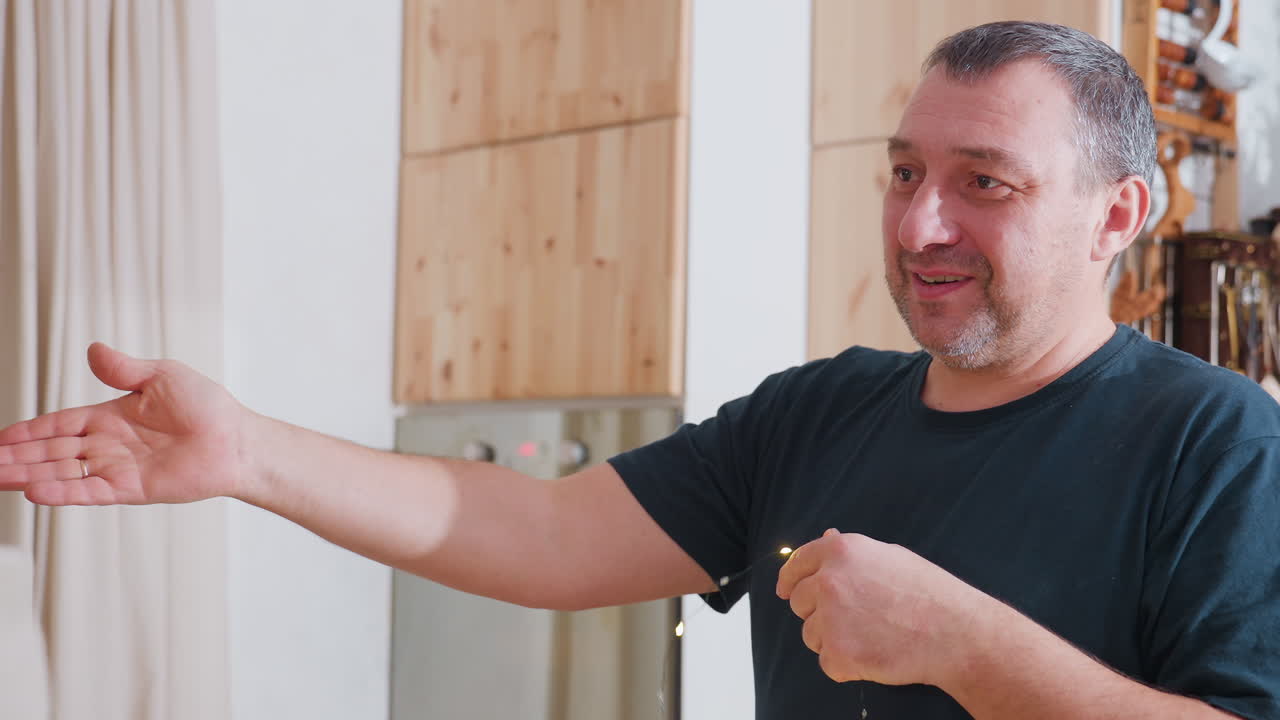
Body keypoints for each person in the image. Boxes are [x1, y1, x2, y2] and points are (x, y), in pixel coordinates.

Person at [1, 20, 1277, 720]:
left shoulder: (1216, 443)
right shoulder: (815, 411)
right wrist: (250, 455)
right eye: (902, 173)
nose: (916, 226)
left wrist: (963, 646)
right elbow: (548, 531)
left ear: (1119, 214)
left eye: (981, 184)